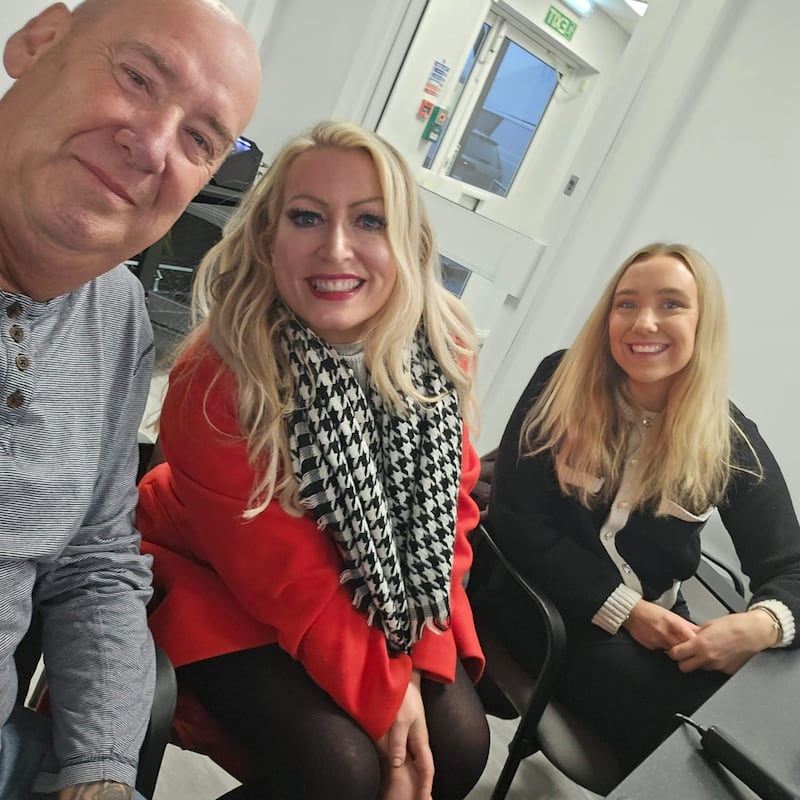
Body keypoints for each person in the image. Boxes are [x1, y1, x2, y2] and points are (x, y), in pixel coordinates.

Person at [136, 120, 490, 800]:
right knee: (343, 771)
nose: (335, 249)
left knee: (460, 746)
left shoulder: (440, 350)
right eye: (306, 217)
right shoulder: (218, 378)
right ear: (268, 237)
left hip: (373, 591)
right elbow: (287, 578)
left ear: (408, 243)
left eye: (369, 220)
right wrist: (389, 696)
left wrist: (418, 662)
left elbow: (448, 522)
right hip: (216, 578)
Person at [0, 0, 260, 797]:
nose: (151, 146)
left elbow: (94, 556)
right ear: (39, 43)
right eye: (138, 77)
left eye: (199, 140)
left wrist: (104, 768)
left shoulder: (114, 314)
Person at [486, 242, 800, 774]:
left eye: (672, 304)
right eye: (626, 304)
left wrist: (761, 625)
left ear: (704, 325)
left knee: (765, 729)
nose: (643, 322)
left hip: (660, 630)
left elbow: (790, 565)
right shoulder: (557, 381)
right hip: (542, 610)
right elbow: (515, 524)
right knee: (707, 746)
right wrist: (626, 610)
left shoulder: (728, 439)